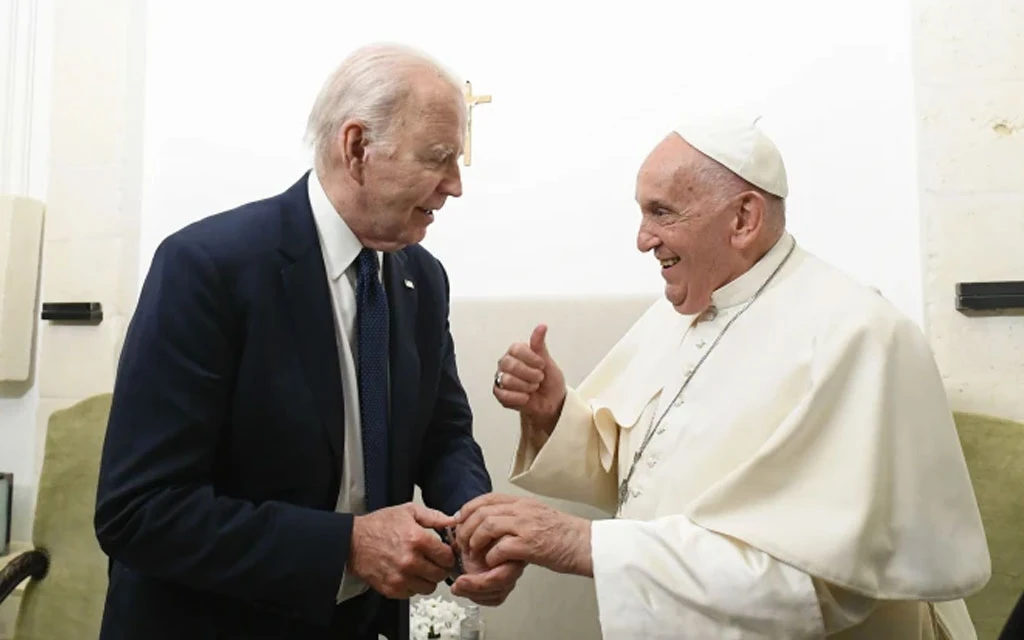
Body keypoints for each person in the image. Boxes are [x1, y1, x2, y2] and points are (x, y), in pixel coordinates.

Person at [454, 116, 992, 639]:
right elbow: (649, 471)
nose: (643, 240)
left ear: (743, 219)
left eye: (661, 213)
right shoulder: (686, 309)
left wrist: (581, 544)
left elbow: (819, 586)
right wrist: (553, 412)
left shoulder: (858, 335)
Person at [94, 43, 522, 640]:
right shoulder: (207, 268)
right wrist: (347, 546)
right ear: (357, 148)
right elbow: (139, 512)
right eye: (439, 158)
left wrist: (473, 525)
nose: (455, 185)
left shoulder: (420, 277)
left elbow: (442, 434)